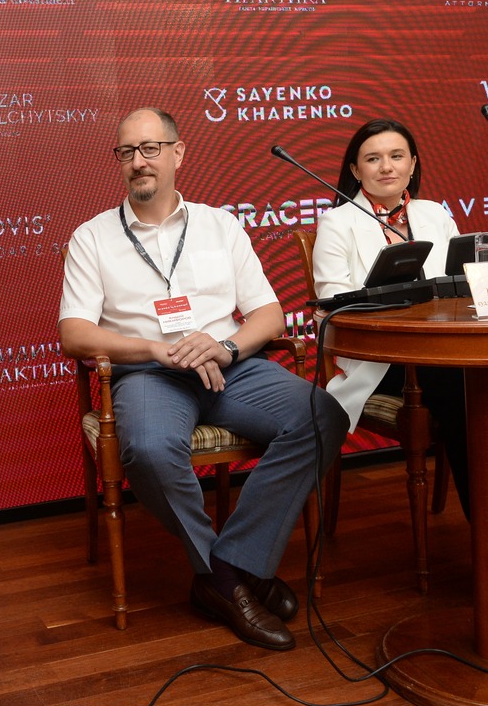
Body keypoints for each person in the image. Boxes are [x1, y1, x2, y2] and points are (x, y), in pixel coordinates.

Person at [58, 107, 348, 650]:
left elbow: (268, 314)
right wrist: (155, 348)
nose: (139, 162)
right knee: (147, 448)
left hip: (230, 366)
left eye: (150, 149)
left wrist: (225, 346)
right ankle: (229, 577)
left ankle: (232, 566)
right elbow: (74, 333)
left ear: (178, 153)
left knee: (322, 414)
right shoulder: (92, 237)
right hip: (150, 375)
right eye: (127, 152)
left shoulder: (219, 225)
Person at [312, 118, 488, 612]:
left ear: (413, 164)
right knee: (476, 403)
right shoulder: (338, 222)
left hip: (454, 349)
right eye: (373, 158)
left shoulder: (434, 213)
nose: (386, 167)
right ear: (355, 169)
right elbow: (332, 305)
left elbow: (467, 281)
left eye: (396, 156)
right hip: (390, 363)